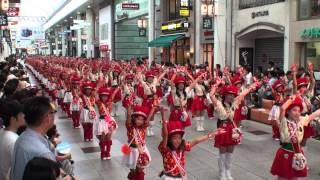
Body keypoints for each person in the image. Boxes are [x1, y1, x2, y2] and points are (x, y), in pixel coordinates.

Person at [209, 81, 258, 180]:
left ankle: (228, 171)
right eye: (229, 95)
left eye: (233, 95)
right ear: (225, 95)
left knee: (230, 152)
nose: (231, 97)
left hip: (232, 129)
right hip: (222, 129)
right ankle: (221, 172)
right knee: (222, 153)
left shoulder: (234, 103)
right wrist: (216, 85)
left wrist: (251, 87)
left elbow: (243, 94)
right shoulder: (218, 103)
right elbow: (211, 95)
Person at [158, 108, 225, 180]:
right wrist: (163, 118)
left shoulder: (182, 147)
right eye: (174, 138)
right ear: (169, 139)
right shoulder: (166, 150)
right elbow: (165, 135)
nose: (178, 140)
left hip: (180, 177)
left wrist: (212, 134)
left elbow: (196, 141)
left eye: (179, 138)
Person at [270, 95, 320, 180]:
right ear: (288, 111)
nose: (297, 112)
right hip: (285, 153)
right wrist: (291, 99)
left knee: (294, 177)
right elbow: (282, 108)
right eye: (294, 110)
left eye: (299, 111)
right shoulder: (284, 122)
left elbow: (314, 115)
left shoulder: (301, 121)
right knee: (283, 177)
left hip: (297, 154)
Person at [11, 96, 57, 180]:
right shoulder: (44, 154)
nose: (54, 116)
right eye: (53, 112)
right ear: (47, 118)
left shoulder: (22, 137)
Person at [122, 103, 157, 180]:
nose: (139, 121)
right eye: (138, 119)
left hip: (141, 150)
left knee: (140, 169)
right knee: (133, 170)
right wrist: (129, 111)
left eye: (141, 120)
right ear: (134, 118)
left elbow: (148, 118)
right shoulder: (130, 127)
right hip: (131, 150)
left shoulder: (143, 127)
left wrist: (154, 108)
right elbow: (128, 119)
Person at [0, 100, 25, 180]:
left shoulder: (2, 131)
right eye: (21, 114)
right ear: (13, 119)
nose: (24, 116)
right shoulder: (14, 141)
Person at [95, 86, 119, 160]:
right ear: (100, 96)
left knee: (108, 137)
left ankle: (108, 152)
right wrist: (97, 87)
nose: (104, 97)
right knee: (102, 138)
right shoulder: (98, 102)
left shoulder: (110, 101)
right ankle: (103, 153)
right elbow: (95, 95)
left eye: (106, 96)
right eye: (103, 96)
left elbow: (114, 93)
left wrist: (118, 88)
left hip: (109, 120)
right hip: (102, 121)